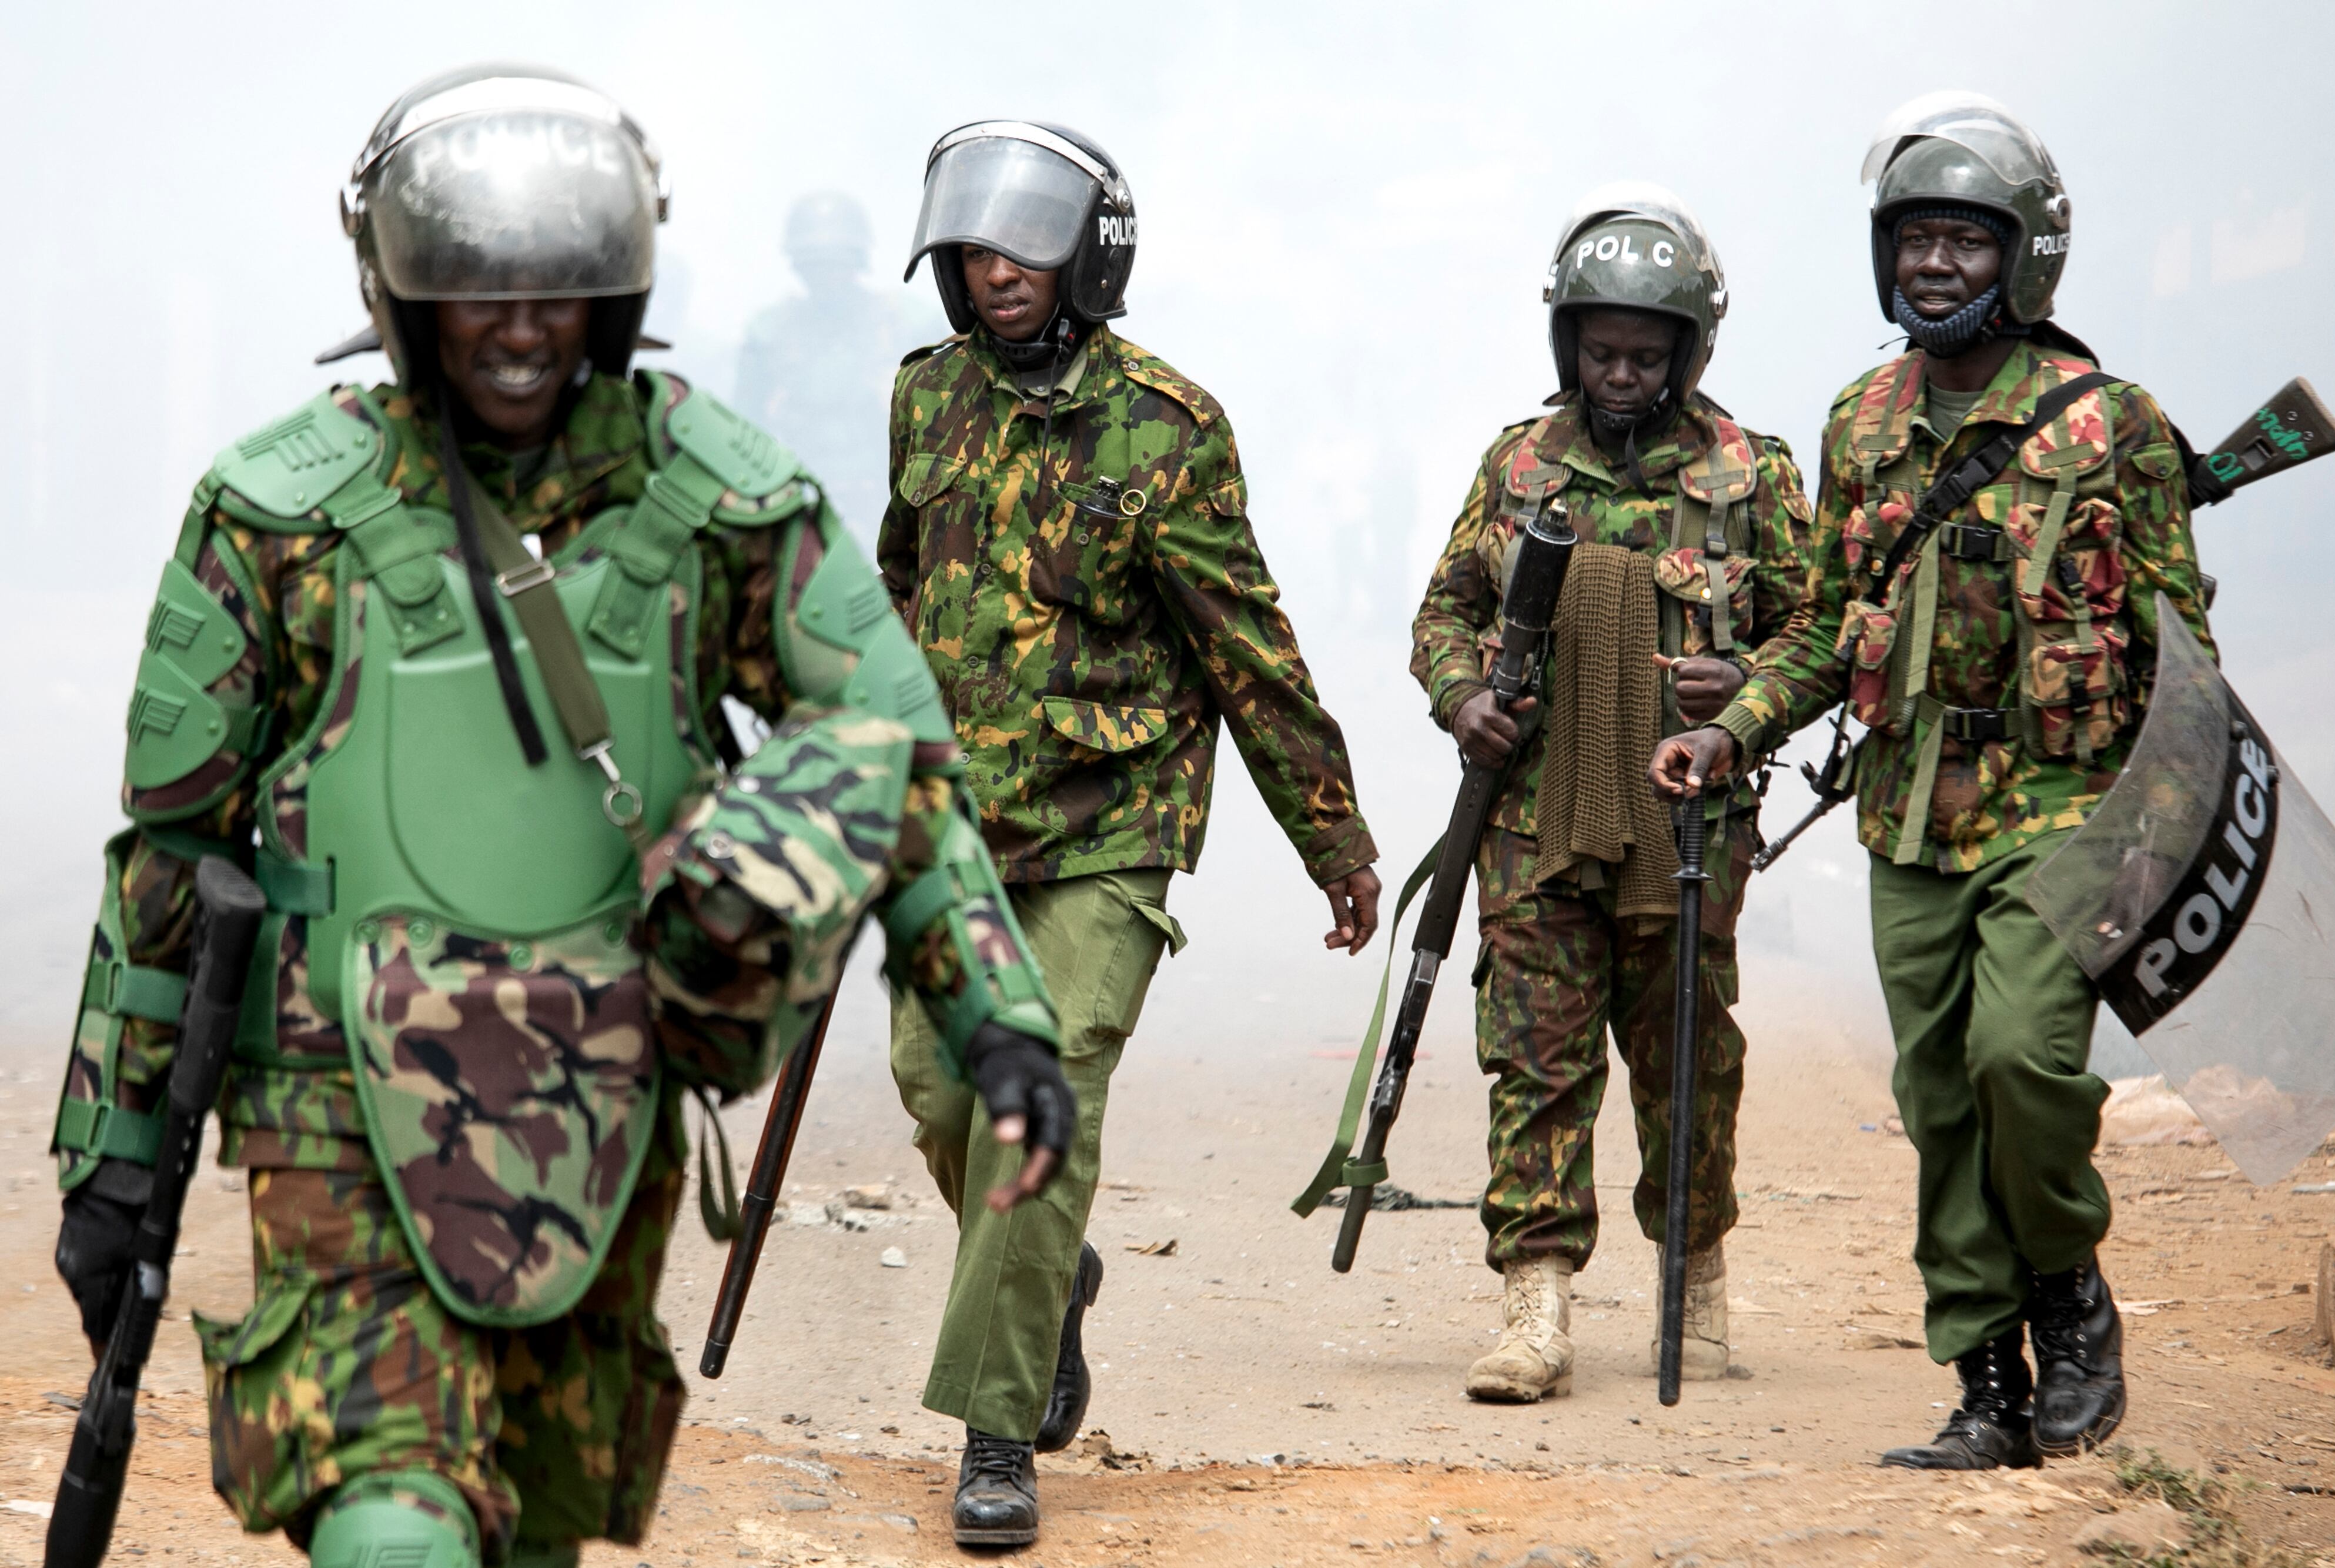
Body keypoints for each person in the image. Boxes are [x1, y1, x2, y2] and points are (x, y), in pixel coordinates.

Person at [48, 66, 1075, 1568]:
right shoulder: (274, 514)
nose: (520, 329)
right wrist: (114, 1148)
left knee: (524, 1521)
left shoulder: (723, 503)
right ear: (400, 288)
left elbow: (892, 767)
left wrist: (1000, 1025)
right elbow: (174, 858)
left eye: (559, 293)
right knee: (391, 1517)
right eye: (477, 293)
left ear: (618, 293)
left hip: (597, 1098)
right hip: (334, 1098)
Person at [1651, 92, 2210, 1469]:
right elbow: (1821, 620)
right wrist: (1734, 734)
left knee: (2018, 1059)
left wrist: (2167, 834)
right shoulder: (1861, 423)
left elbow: (2182, 651)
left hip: (2066, 809)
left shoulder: (2109, 428)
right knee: (1937, 1102)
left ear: (2024, 257)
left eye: (1965, 240)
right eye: (1912, 241)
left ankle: (2069, 1295)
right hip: (1909, 813)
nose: (1934, 266)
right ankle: (1986, 1382)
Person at [880, 119, 1383, 1546]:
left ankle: (995, 1434)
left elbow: (1248, 646)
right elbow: (893, 595)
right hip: (955, 825)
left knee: (1038, 1089)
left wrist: (1332, 840)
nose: (996, 274)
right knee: (938, 1089)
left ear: (1087, 256)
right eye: (973, 252)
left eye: (1024, 249)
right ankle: (1051, 1277)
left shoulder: (1167, 424)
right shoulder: (925, 400)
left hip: (1110, 824)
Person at [1411, 186, 1812, 1403]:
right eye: (1600, 350)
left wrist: (1742, 685)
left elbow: (1821, 630)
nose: (1623, 373)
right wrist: (1460, 694)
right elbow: (1446, 613)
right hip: (1532, 819)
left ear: (1690, 352)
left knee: (1683, 1053)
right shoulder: (1516, 463)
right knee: (1534, 1060)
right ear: (1564, 344)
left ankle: (1691, 1270)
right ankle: (1534, 1302)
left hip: (1684, 828)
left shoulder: (1751, 472)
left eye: (1647, 353)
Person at [735, 192, 928, 546]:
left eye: (835, 261)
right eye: (814, 262)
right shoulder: (769, 334)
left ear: (858, 259)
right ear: (797, 264)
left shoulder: (907, 324)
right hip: (797, 500)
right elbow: (745, 429)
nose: (825, 275)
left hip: (894, 500)